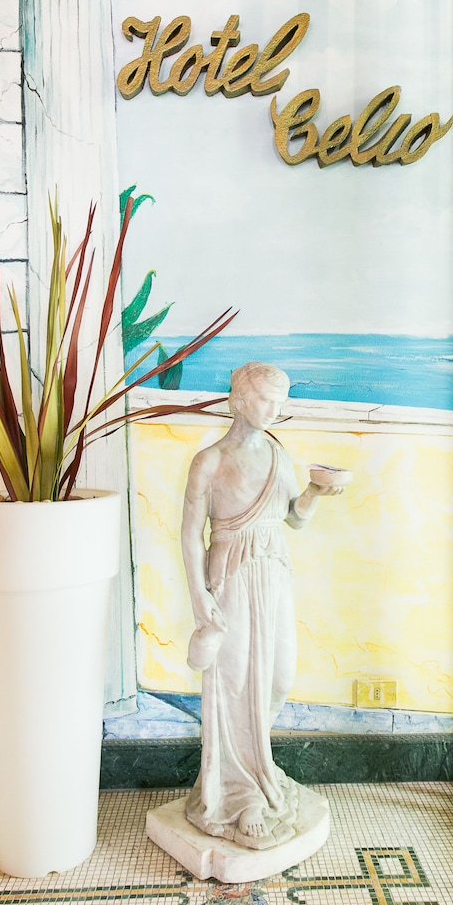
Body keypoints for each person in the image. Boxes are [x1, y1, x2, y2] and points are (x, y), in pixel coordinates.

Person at [180, 362, 342, 849]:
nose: (275, 410)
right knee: (232, 682)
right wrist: (199, 597)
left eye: (280, 402)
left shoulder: (277, 452)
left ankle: (255, 767)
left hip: (273, 572)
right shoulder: (209, 461)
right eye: (267, 400)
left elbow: (295, 518)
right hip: (231, 574)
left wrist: (315, 491)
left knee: (278, 677)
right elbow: (190, 534)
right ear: (238, 400)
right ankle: (239, 792)